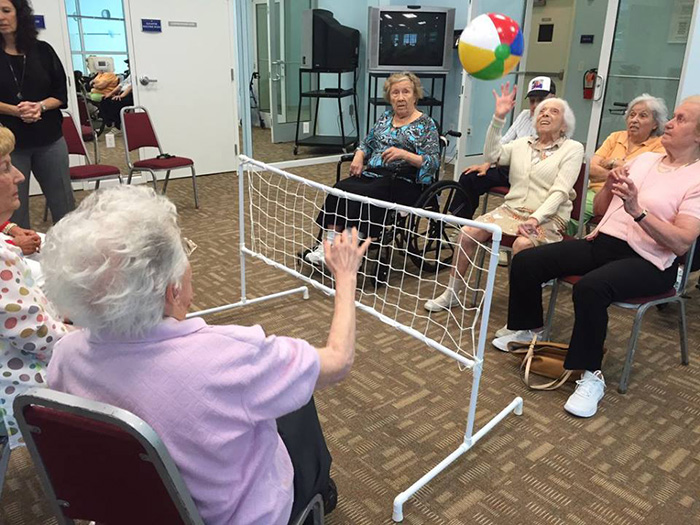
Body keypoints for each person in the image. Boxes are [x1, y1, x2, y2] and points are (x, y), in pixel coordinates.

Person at [43, 185, 371, 525]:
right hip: (236, 516)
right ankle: (320, 489)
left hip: (124, 510)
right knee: (298, 397)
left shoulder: (66, 355)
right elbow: (338, 360)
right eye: (184, 250)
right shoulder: (230, 358)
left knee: (284, 386)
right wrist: (345, 277)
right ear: (173, 289)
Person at [492, 95, 700, 418]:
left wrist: (638, 212)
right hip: (604, 243)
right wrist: (608, 188)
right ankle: (527, 328)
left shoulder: (696, 179)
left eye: (681, 119)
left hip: (650, 261)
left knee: (590, 288)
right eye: (672, 117)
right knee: (527, 260)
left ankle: (591, 375)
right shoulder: (644, 161)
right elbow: (602, 209)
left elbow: (683, 242)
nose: (670, 123)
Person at [424, 83, 584, 315]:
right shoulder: (522, 144)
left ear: (565, 124)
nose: (545, 113)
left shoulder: (572, 148)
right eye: (541, 111)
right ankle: (453, 293)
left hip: (549, 217)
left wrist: (535, 219)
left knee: (522, 245)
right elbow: (492, 155)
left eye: (554, 111)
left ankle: (519, 312)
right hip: (512, 211)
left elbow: (560, 192)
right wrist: (498, 118)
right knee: (468, 233)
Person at [305, 71, 439, 265]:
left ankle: (352, 251)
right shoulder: (385, 118)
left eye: (406, 92)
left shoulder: (427, 125)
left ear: (415, 95)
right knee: (340, 188)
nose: (400, 98)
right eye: (395, 93)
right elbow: (367, 143)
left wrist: (405, 155)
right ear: (389, 97)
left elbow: (433, 162)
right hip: (374, 173)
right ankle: (328, 245)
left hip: (405, 180)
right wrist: (359, 156)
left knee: (369, 194)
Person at [0, 126, 69, 449]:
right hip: (17, 390)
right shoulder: (2, 258)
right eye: (5, 167)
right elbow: (36, 335)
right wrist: (82, 334)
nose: (19, 176)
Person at [0, 0, 75, 229]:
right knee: (14, 209)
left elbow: (60, 94)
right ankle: (18, 261)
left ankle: (73, 256)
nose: (1, 17)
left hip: (49, 139)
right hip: (11, 146)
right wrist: (17, 110)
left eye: (6, 11)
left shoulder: (43, 51)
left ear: (19, 14)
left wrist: (39, 106)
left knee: (64, 204)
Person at [455, 76, 557, 220]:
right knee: (469, 178)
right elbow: (503, 142)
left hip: (533, 177)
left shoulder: (559, 124)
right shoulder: (524, 116)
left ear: (553, 99)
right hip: (509, 169)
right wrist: (486, 164)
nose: (535, 106)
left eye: (540, 100)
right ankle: (459, 222)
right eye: (532, 101)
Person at [567, 93, 667, 234]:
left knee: (572, 211)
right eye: (631, 115)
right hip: (595, 192)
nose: (634, 120)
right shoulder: (616, 137)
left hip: (624, 199)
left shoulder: (659, 146)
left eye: (642, 116)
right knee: (564, 203)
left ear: (655, 124)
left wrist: (610, 163)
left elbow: (638, 179)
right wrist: (618, 169)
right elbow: (591, 169)